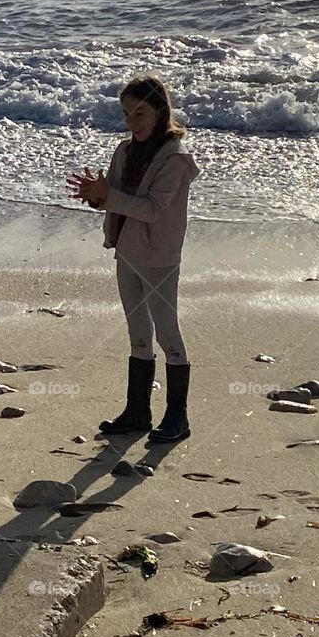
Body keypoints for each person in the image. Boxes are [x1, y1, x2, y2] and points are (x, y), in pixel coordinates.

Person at [67, 75, 199, 443]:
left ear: (160, 111)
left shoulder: (176, 158)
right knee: (137, 333)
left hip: (159, 254)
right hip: (126, 250)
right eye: (126, 114)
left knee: (167, 332)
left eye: (140, 113)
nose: (133, 122)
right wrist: (95, 196)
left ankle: (177, 417)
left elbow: (153, 209)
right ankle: (137, 411)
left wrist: (107, 196)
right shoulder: (124, 151)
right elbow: (118, 199)